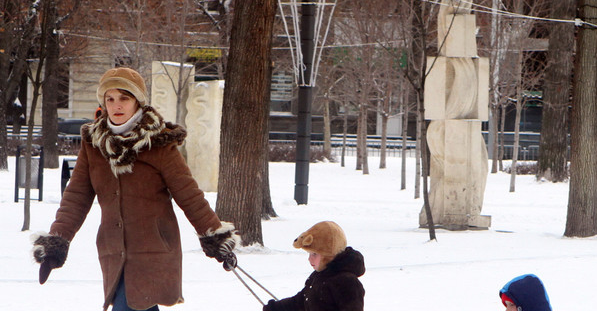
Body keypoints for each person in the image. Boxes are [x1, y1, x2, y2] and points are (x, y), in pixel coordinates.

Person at [31, 67, 240, 311]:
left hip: (152, 250)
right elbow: (76, 197)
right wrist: (58, 240)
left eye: (124, 98)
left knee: (130, 306)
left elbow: (189, 195)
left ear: (137, 102)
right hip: (112, 250)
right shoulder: (94, 145)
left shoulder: (159, 144)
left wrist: (216, 237)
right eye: (110, 99)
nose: (116, 105)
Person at [263, 221, 365, 311]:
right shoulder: (319, 275)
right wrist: (274, 307)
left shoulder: (347, 282)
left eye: (314, 254)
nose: (309, 259)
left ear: (329, 255)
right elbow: (301, 301)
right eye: (310, 254)